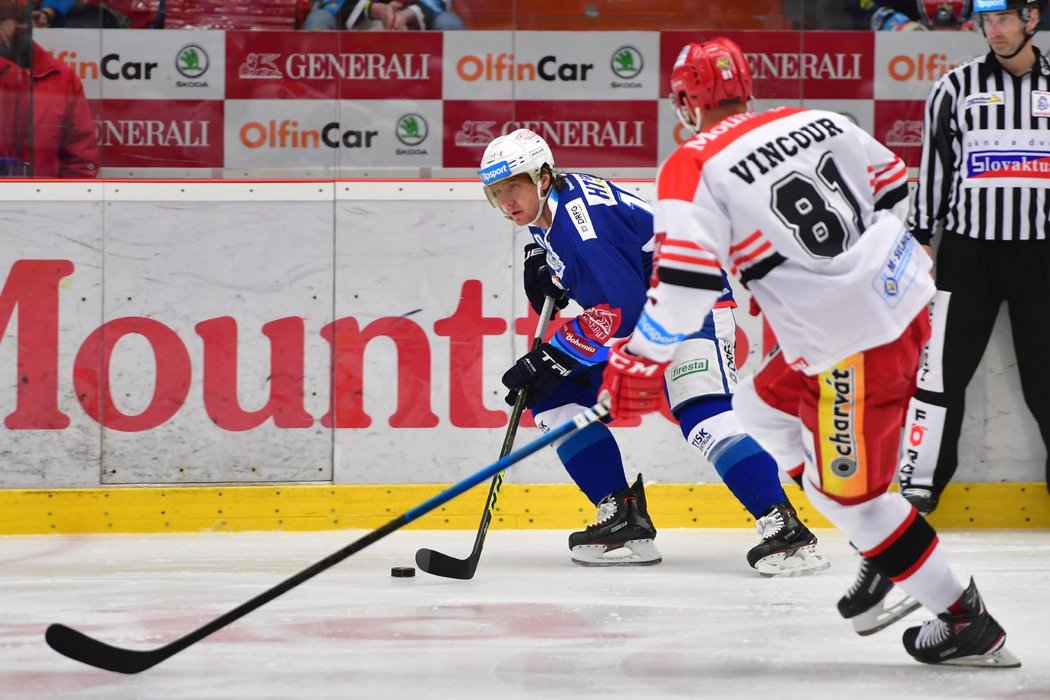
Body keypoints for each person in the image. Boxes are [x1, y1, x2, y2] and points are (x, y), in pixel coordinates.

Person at [601, 37, 1020, 666]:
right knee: (757, 406)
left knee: (860, 504)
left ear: (686, 101)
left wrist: (639, 358)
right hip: (898, 302)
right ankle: (877, 545)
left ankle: (966, 620)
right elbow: (891, 183)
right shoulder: (815, 120)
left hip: (851, 347)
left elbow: (684, 286)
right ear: (747, 87)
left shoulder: (694, 164)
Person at [478, 127, 828, 575]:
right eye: (497, 192)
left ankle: (784, 530)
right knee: (551, 396)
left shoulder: (580, 227)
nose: (508, 202)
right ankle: (622, 517)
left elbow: (622, 312)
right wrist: (540, 259)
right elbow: (606, 280)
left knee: (702, 413)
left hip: (690, 305)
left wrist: (554, 354)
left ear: (543, 176)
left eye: (515, 187)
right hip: (650, 311)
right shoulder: (553, 209)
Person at [895, 0, 1050, 515]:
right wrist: (920, 236)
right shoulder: (955, 87)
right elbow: (934, 167)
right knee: (942, 371)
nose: (995, 30)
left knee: (1045, 376)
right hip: (968, 252)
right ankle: (923, 482)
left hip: (1041, 257)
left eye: (1005, 19)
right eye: (988, 21)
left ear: (1033, 20)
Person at [0, 0, 98, 178]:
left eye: (21, 19)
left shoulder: (61, 77)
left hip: (43, 200)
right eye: (3, 20)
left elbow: (80, 162)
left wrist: (63, 204)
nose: (12, 28)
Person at [300, 0, 462, 30]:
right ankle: (313, 96)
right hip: (354, 25)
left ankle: (463, 104)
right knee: (319, 20)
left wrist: (408, 14)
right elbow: (330, 2)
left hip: (412, 21)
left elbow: (440, 2)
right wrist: (374, 9)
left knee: (448, 22)